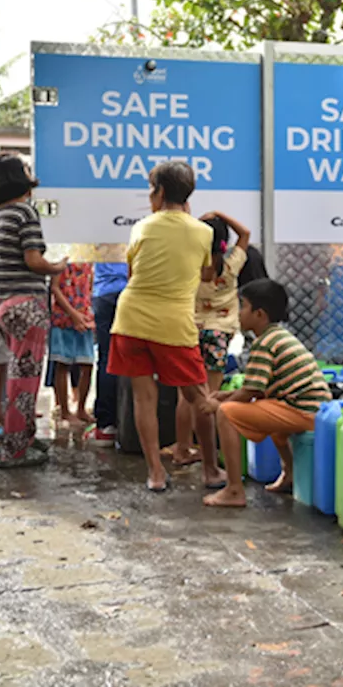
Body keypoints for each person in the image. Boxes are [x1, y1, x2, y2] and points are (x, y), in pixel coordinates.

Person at [108, 161, 223, 492]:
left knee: (144, 399)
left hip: (130, 320)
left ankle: (156, 473)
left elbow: (133, 274)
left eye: (151, 188)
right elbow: (204, 272)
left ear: (158, 192)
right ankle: (211, 471)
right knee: (198, 397)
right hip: (175, 325)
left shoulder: (142, 227)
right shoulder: (203, 231)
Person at [201, 279, 331, 508]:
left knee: (226, 414)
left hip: (303, 410)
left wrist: (219, 405)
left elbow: (251, 391)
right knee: (276, 431)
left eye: (243, 306)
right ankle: (289, 474)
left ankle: (233, 489)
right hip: (312, 409)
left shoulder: (264, 344)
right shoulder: (276, 336)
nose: (239, 313)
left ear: (259, 314)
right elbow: (254, 389)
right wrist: (221, 395)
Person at [0, 153, 67, 468]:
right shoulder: (25, 214)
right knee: (25, 378)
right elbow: (33, 261)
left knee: (17, 372)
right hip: (28, 304)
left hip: (3, 304)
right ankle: (16, 449)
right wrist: (57, 266)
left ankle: (24, 439)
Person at [171, 211, 251, 466]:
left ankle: (182, 448)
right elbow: (246, 233)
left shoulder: (188, 266)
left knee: (185, 395)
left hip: (190, 331)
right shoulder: (231, 264)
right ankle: (210, 454)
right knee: (210, 395)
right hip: (220, 334)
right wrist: (222, 217)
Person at [48, 261, 96, 429]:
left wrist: (85, 312)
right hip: (63, 316)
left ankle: (81, 408)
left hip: (85, 315)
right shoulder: (60, 257)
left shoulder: (89, 259)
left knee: (88, 364)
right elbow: (54, 287)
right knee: (62, 364)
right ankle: (65, 411)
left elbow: (89, 286)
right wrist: (73, 313)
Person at [89, 257, 127, 447]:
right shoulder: (135, 228)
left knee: (106, 358)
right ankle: (130, 421)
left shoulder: (100, 230)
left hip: (103, 293)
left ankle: (106, 426)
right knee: (133, 358)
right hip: (131, 292)